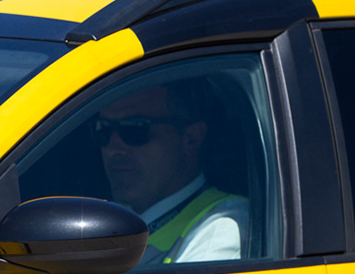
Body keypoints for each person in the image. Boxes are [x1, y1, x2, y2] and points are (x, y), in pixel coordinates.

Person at [91, 81, 247, 264]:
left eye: (134, 128)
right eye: (103, 129)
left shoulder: (221, 226)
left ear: (191, 138)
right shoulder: (103, 220)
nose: (113, 148)